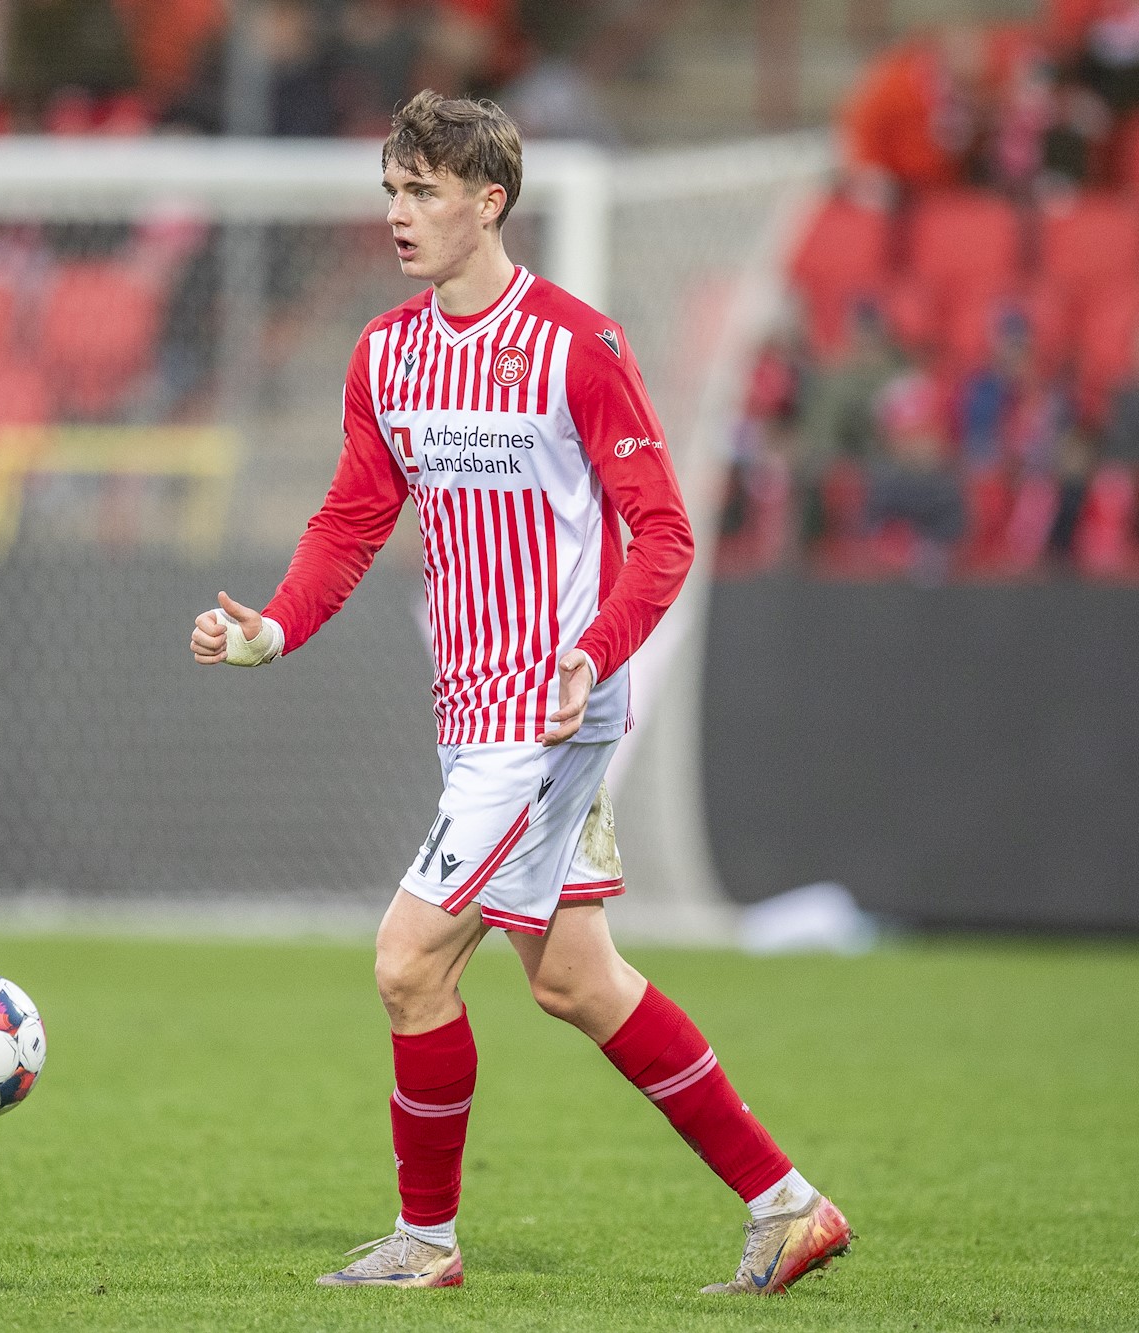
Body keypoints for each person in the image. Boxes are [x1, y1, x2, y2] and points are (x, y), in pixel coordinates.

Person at [189, 91, 850, 1295]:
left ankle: (424, 1241)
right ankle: (787, 1205)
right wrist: (272, 627)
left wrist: (590, 654)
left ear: (488, 201)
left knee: (407, 963)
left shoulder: (575, 346)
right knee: (572, 978)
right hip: (472, 708)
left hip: (545, 711)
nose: (397, 213)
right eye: (390, 190)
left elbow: (663, 534)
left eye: (422, 191)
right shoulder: (384, 353)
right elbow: (351, 516)